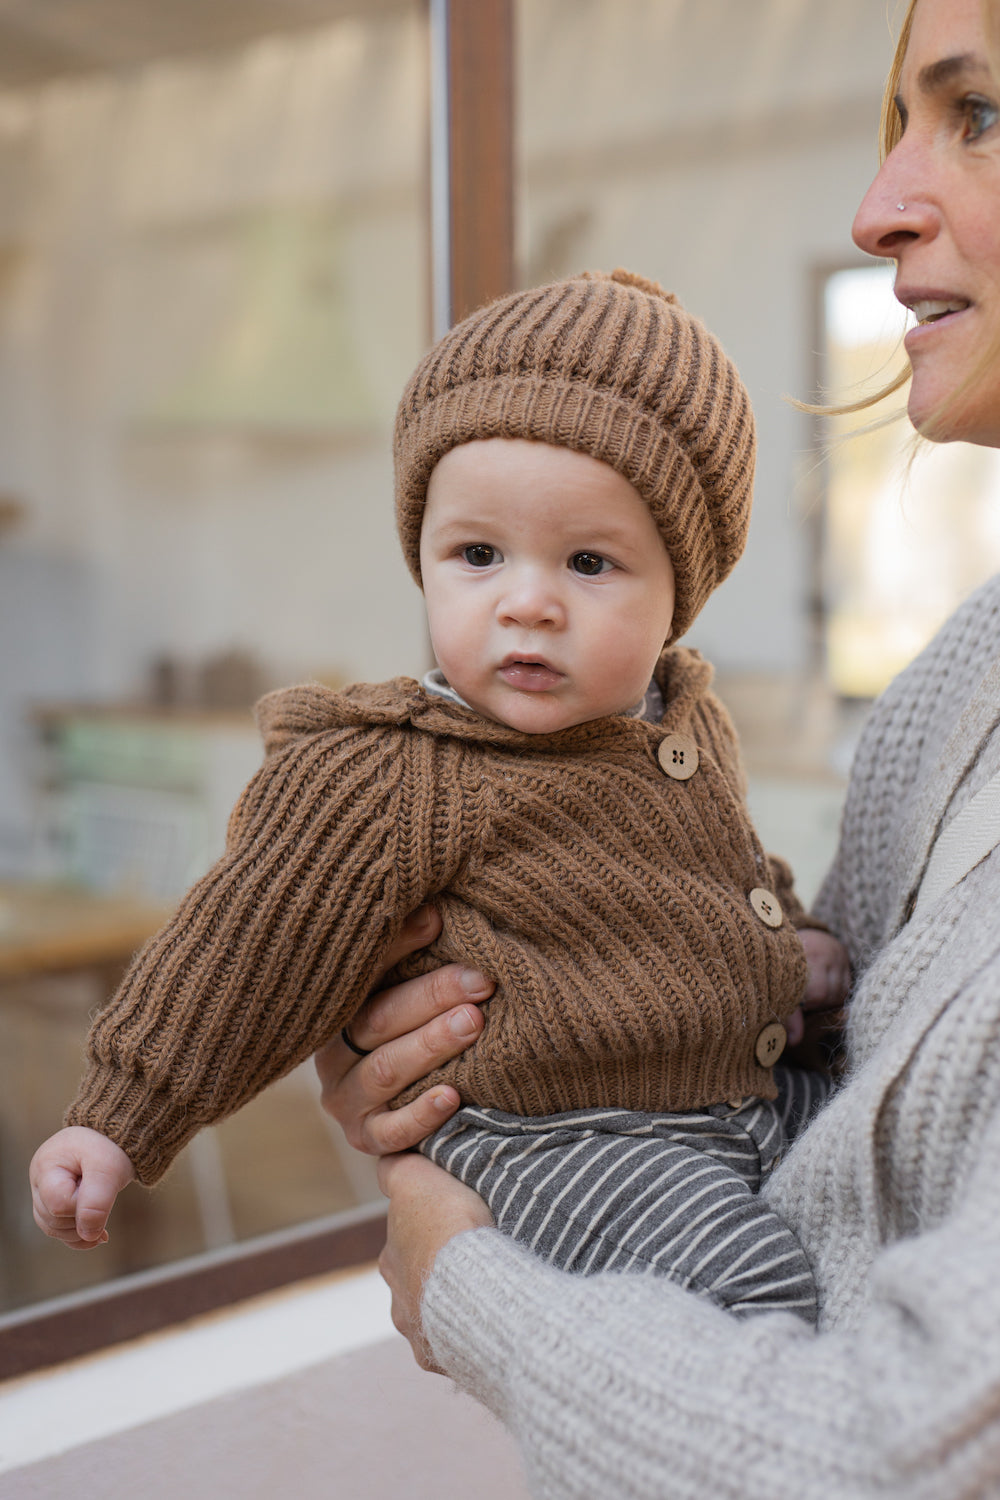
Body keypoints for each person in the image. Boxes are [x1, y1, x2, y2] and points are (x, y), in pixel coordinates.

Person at [322, 0, 1000, 1491]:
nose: (880, 205)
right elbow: (817, 1036)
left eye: (981, 117)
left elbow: (913, 1459)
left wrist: (471, 1288)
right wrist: (452, 1063)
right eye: (900, 124)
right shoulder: (967, 674)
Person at [29, 268, 848, 1320]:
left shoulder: (679, 718)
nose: (526, 604)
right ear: (421, 555)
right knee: (758, 1292)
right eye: (476, 554)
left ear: (679, 593)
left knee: (896, 1171)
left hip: (746, 1096)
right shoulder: (392, 769)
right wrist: (117, 1118)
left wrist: (797, 943)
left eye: (589, 563)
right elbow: (245, 946)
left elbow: (729, 872)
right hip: (564, 1140)